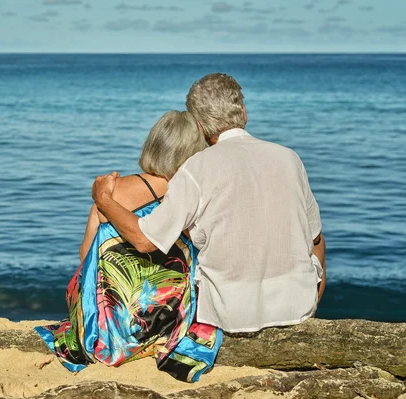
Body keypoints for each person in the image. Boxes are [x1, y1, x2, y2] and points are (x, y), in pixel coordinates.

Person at [92, 73, 326, 334]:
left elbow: (146, 240)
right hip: (296, 307)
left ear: (200, 127)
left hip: (232, 314)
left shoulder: (196, 168)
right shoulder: (289, 158)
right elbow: (315, 239)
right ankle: (307, 308)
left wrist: (103, 199)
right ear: (244, 113)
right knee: (316, 241)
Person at [35, 110, 224, 383]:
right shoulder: (191, 198)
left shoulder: (111, 192)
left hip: (108, 324)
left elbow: (86, 258)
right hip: (167, 321)